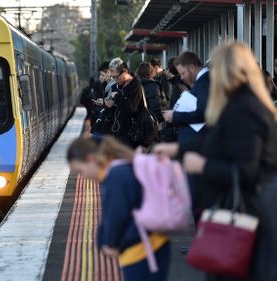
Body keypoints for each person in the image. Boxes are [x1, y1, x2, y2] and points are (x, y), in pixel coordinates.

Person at [155, 42, 277, 281]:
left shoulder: (244, 111)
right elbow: (216, 142)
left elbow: (246, 171)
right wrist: (177, 149)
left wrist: (201, 166)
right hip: (246, 217)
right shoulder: (243, 105)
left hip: (248, 221)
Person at [67, 136, 170, 281]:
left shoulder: (116, 175)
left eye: (80, 171)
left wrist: (110, 243)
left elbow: (116, 215)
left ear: (91, 159)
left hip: (142, 251)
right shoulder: (120, 169)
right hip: (150, 246)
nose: (83, 176)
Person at [162, 52, 209, 144]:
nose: (182, 77)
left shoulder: (203, 83)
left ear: (192, 68)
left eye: (183, 73)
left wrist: (174, 116)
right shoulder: (202, 81)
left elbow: (203, 114)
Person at [105, 60, 144, 147]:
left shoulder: (135, 86)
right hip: (121, 130)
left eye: (116, 77)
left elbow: (130, 108)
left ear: (125, 72)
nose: (115, 80)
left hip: (131, 132)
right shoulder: (123, 86)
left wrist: (117, 97)